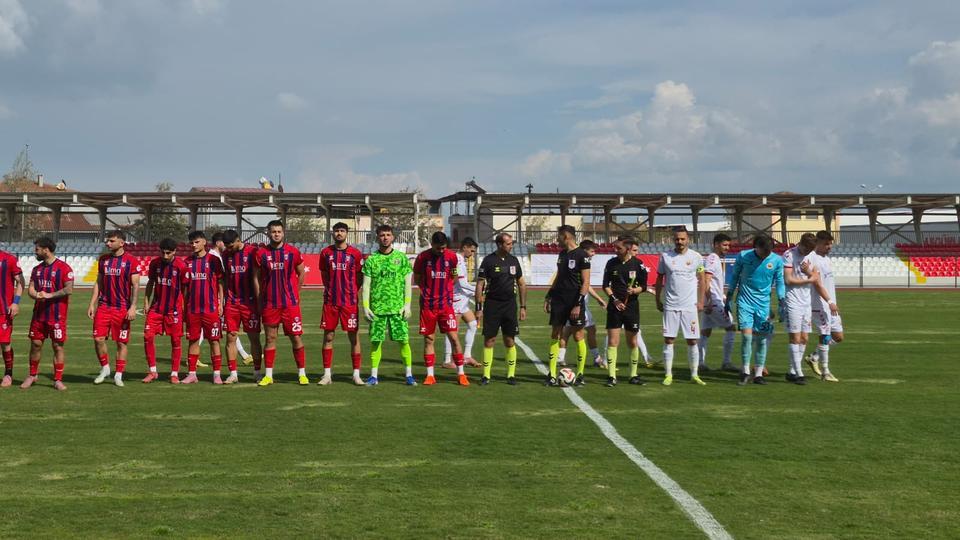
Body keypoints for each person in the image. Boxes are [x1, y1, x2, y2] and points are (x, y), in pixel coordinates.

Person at [253, 220, 308, 386]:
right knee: (270, 338)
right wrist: (259, 299)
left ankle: (302, 374)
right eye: (273, 231)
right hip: (270, 304)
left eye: (279, 231)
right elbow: (255, 278)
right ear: (268, 233)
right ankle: (268, 375)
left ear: (283, 233)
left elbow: (301, 273)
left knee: (296, 338)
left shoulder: (293, 252)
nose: (276, 234)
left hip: (289, 305)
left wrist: (295, 293)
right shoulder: (261, 254)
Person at [725, 234, 785, 385]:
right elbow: (735, 277)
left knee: (762, 340)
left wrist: (781, 301)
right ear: (755, 247)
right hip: (744, 302)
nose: (766, 254)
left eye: (768, 251)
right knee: (746, 337)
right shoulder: (743, 256)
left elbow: (779, 281)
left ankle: (758, 374)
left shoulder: (777, 260)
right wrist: (729, 296)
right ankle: (745, 371)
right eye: (763, 250)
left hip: (763, 305)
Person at [361, 224, 415, 386]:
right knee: (376, 341)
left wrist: (407, 305)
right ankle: (373, 376)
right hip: (377, 309)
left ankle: (409, 374)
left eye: (388, 234)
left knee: (403, 341)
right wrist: (365, 306)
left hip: (397, 308)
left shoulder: (401, 258)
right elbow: (367, 285)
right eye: (382, 235)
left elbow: (407, 284)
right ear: (377, 237)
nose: (385, 237)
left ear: (393, 237)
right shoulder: (371, 260)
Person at [414, 231, 469, 386]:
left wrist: (447, 289)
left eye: (444, 248)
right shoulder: (422, 258)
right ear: (432, 244)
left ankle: (461, 373)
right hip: (428, 306)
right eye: (438, 248)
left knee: (454, 338)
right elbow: (417, 277)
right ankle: (430, 375)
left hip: (446, 306)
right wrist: (427, 291)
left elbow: (454, 276)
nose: (441, 251)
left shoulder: (451, 257)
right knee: (429, 339)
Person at [88, 230, 141, 387]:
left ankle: (118, 374)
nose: (107, 243)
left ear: (121, 243)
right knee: (98, 339)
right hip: (104, 306)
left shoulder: (131, 261)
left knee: (121, 342)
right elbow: (99, 282)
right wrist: (92, 303)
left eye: (111, 241)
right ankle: (105, 368)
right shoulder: (103, 260)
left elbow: (136, 286)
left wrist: (133, 307)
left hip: (122, 308)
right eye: (107, 241)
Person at [655, 227, 706, 386]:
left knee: (692, 341)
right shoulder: (665, 257)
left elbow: (702, 280)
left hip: (690, 306)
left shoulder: (696, 257)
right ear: (673, 240)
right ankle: (668, 374)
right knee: (669, 339)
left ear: (688, 239)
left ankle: (694, 374)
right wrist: (657, 299)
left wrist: (701, 301)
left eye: (682, 239)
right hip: (671, 305)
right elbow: (659, 279)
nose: (680, 242)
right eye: (677, 239)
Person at [475, 233, 527, 385]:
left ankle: (511, 375)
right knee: (489, 340)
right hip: (492, 305)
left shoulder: (514, 260)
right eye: (508, 243)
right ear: (499, 244)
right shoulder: (488, 260)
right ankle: (486, 375)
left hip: (510, 305)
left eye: (511, 243)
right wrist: (479, 307)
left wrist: (523, 306)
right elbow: (480, 284)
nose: (511, 246)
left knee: (510, 340)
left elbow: (522, 283)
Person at [318, 222, 364, 386]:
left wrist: (352, 291)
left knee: (353, 337)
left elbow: (359, 277)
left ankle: (356, 374)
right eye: (336, 231)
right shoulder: (325, 253)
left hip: (349, 302)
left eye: (342, 231)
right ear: (332, 233)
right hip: (331, 301)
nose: (339, 233)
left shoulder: (355, 254)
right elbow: (324, 274)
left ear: (347, 233)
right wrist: (330, 289)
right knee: (328, 336)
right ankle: (327, 375)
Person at [782, 232, 831, 385]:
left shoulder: (810, 256)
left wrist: (808, 273)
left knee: (804, 338)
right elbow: (788, 279)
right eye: (806, 249)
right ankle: (799, 373)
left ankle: (791, 370)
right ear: (801, 244)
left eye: (811, 250)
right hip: (792, 301)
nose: (808, 252)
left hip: (806, 301)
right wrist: (807, 280)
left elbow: (816, 277)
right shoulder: (789, 254)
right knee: (795, 338)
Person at [23, 237, 71, 390]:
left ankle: (57, 379)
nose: (35, 252)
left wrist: (50, 295)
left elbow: (69, 289)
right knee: (35, 345)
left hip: (57, 316)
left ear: (46, 250)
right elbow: (30, 289)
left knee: (57, 346)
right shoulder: (37, 270)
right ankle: (32, 375)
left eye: (37, 249)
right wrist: (36, 295)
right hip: (39, 315)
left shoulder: (64, 268)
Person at [545, 225, 590, 387]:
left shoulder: (582, 255)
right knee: (555, 334)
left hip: (574, 302)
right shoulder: (562, 254)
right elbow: (559, 277)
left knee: (578, 336)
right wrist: (549, 295)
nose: (557, 239)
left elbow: (586, 282)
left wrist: (578, 304)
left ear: (566, 236)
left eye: (558, 236)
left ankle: (580, 374)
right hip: (559, 300)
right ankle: (551, 374)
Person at [181, 231, 226, 384]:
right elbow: (185, 289)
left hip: (210, 309)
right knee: (193, 340)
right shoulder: (187, 262)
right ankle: (192, 373)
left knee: (214, 341)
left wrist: (221, 302)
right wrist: (184, 307)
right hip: (193, 309)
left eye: (196, 242)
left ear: (204, 242)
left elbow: (220, 283)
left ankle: (217, 374)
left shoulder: (214, 260)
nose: (193, 245)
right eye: (191, 243)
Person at [602, 236, 648, 386]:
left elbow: (644, 286)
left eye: (618, 248)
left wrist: (635, 290)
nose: (615, 250)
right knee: (613, 341)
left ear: (627, 249)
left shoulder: (638, 264)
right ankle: (611, 376)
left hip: (631, 308)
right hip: (614, 307)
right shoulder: (611, 263)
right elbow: (605, 285)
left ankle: (633, 375)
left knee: (632, 341)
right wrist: (614, 300)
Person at [201, 231, 252, 365]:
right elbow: (219, 279)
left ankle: (245, 355)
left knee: (230, 330)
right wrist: (220, 300)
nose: (227, 247)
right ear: (219, 243)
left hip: (226, 298)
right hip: (215, 298)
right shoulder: (213, 257)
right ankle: (194, 354)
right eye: (225, 244)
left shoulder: (223, 255)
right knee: (222, 329)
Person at [142, 238, 188, 384]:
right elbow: (150, 283)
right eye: (162, 252)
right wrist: (146, 302)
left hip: (173, 310)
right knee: (148, 336)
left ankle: (174, 373)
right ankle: (152, 371)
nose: (165, 255)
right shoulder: (155, 263)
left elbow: (186, 289)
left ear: (175, 251)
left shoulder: (181, 266)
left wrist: (184, 308)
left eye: (168, 253)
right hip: (156, 308)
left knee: (175, 340)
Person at [221, 229, 263, 383]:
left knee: (254, 338)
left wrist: (259, 300)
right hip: (232, 303)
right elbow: (225, 278)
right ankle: (233, 374)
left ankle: (257, 372)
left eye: (231, 246)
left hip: (250, 303)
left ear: (239, 240)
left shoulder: (253, 252)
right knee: (230, 337)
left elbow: (259, 277)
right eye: (226, 246)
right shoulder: (226, 255)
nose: (229, 249)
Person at [557, 240, 606, 370]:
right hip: (576, 304)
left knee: (576, 330)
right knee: (577, 332)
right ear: (584, 251)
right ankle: (595, 358)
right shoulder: (579, 260)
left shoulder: (583, 262)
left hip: (580, 304)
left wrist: (598, 299)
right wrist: (598, 299)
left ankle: (561, 357)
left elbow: (587, 285)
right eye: (592, 251)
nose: (594, 254)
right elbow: (584, 284)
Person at [806, 231, 842, 382]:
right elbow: (817, 283)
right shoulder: (812, 259)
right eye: (826, 243)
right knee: (825, 336)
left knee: (838, 337)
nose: (829, 247)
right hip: (819, 304)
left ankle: (814, 357)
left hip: (830, 304)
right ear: (818, 243)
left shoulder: (826, 259)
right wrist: (829, 301)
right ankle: (825, 372)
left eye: (830, 243)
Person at [699, 233, 738, 372]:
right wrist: (709, 301)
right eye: (724, 245)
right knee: (731, 328)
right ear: (716, 244)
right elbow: (706, 281)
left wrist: (723, 296)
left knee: (705, 332)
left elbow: (714, 283)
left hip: (714, 299)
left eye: (728, 245)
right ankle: (726, 362)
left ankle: (700, 363)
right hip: (713, 302)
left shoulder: (716, 259)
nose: (727, 248)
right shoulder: (712, 259)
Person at [443, 237, 480, 369]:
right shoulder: (457, 259)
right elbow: (461, 283)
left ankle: (467, 356)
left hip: (463, 299)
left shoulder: (461, 260)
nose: (473, 253)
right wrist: (478, 290)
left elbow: (463, 284)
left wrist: (474, 291)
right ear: (465, 247)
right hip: (456, 300)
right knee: (453, 331)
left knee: (473, 324)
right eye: (472, 250)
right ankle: (447, 360)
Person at [0, 243, 24, 388]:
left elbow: (21, 281)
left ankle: (8, 373)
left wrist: (15, 302)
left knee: (4, 343)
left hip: (3, 310)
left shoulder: (9, 259)